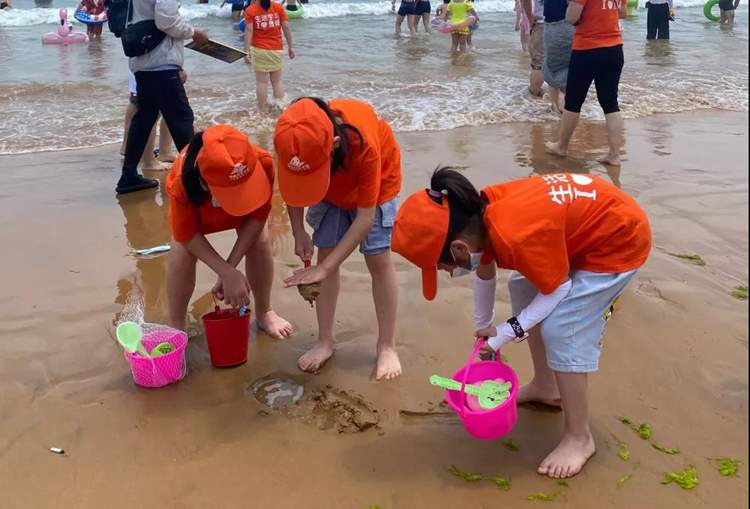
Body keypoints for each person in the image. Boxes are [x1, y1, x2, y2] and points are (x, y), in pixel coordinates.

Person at [391, 168, 652, 479]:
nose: (447, 273)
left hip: (618, 239)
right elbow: (485, 273)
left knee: (562, 328)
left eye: (442, 266)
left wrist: (504, 333)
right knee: (521, 286)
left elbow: (557, 289)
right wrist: (485, 328)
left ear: (459, 248)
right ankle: (546, 387)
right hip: (586, 230)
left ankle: (579, 437)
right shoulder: (482, 214)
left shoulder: (513, 232)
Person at [274, 97, 403, 380]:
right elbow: (292, 189)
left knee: (378, 260)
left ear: (332, 144)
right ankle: (325, 340)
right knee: (326, 253)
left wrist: (325, 268)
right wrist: (298, 232)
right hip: (330, 188)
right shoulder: (290, 139)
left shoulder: (365, 144)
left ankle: (386, 345)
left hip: (377, 187)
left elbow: (365, 218)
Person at [165, 124, 293, 339]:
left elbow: (258, 218)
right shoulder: (181, 181)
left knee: (259, 242)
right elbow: (186, 235)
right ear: (204, 183)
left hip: (244, 218)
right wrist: (225, 272)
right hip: (199, 220)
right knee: (180, 252)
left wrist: (230, 269)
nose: (241, 196)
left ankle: (265, 311)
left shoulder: (263, 163)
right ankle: (177, 324)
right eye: (234, 192)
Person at [117, 0, 208, 194]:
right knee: (182, 120)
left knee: (143, 120)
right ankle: (193, 181)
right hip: (161, 63)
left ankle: (128, 176)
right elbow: (166, 21)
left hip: (142, 61)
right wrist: (194, 32)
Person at [545, 0, 628, 166]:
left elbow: (571, 17)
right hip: (614, 48)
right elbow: (622, 13)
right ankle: (614, 154)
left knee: (574, 101)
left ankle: (561, 146)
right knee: (610, 103)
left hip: (587, 49)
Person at [243, 0, 295, 113]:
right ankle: (281, 108)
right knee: (277, 81)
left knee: (261, 82)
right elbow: (286, 27)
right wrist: (291, 46)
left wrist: (246, 51)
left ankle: (262, 110)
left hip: (259, 50)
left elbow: (248, 30)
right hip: (276, 49)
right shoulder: (278, 7)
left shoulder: (250, 10)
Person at [121, 70, 179, 167]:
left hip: (152, 67)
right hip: (152, 68)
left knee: (140, 104)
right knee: (152, 108)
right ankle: (157, 155)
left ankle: (164, 151)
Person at [543, 0, 575, 113]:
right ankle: (565, 105)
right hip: (569, 24)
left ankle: (557, 106)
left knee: (553, 67)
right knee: (572, 66)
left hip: (557, 25)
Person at [522, 0, 545, 97]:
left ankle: (534, 94)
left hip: (541, 23)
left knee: (538, 63)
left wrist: (530, 19)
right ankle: (560, 102)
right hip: (567, 24)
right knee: (562, 64)